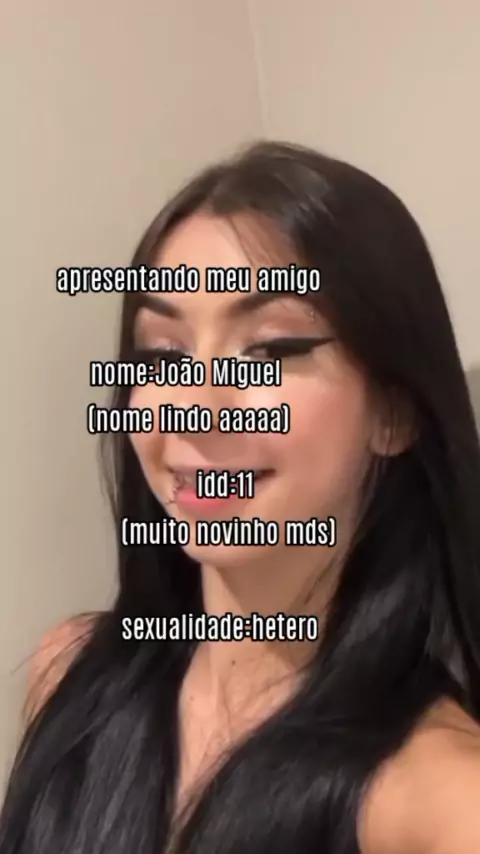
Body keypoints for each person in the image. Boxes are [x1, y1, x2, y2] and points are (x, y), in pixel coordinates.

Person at [2, 140, 480, 854]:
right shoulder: (69, 675)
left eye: (270, 349)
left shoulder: (443, 801)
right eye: (162, 356)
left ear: (394, 411)